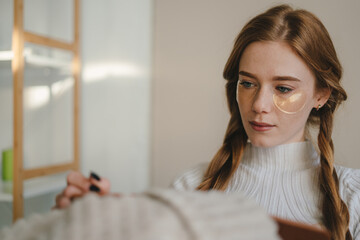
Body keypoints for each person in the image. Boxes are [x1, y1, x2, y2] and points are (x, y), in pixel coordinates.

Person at [54, 4, 360, 240]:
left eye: (283, 88)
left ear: (321, 94)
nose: (259, 106)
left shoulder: (353, 196)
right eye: (248, 83)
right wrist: (83, 224)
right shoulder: (191, 188)